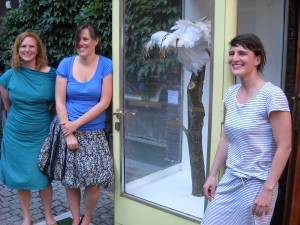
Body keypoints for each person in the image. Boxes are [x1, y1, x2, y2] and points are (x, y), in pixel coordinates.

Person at [202, 33, 292, 225]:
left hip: (258, 184)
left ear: (257, 59)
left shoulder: (272, 95)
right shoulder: (231, 93)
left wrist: (268, 190)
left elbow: (285, 146)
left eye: (242, 53)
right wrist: (212, 174)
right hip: (230, 179)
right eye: (232, 53)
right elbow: (226, 137)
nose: (234, 58)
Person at [54, 21, 114, 225]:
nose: (81, 43)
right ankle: (75, 219)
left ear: (96, 41)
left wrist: (75, 125)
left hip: (93, 132)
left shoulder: (106, 64)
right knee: (71, 181)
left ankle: (86, 219)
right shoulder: (65, 64)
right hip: (66, 129)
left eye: (86, 39)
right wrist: (68, 131)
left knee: (93, 184)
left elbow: (104, 101)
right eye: (78, 39)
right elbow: (60, 100)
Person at [0, 31, 57, 225]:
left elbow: (57, 105)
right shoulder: (8, 76)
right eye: (23, 46)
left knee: (43, 177)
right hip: (15, 134)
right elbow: (8, 106)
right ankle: (27, 216)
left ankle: (49, 214)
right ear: (17, 49)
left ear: (38, 49)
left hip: (41, 133)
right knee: (21, 178)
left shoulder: (52, 75)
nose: (27, 50)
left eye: (31, 46)